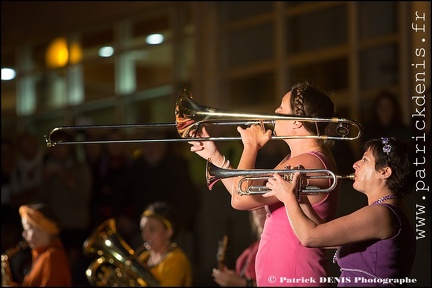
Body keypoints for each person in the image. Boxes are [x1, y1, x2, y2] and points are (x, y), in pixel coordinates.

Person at [189, 81, 340, 286]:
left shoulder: (308, 163)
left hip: (295, 274)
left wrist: (251, 146)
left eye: (281, 107)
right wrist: (215, 157)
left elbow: (240, 199)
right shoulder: (293, 159)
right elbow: (248, 195)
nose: (275, 111)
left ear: (296, 122)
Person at [264, 137, 416, 286]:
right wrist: (299, 196)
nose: (356, 164)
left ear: (384, 172)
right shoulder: (387, 211)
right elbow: (322, 237)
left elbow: (310, 237)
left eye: (365, 160)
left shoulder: (382, 214)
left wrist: (287, 197)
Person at [7, 203, 72, 286]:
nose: (24, 234)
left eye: (28, 228)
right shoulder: (42, 254)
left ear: (45, 227)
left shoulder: (53, 255)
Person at [137, 201, 193, 286]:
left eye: (152, 230)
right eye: (143, 230)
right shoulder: (144, 257)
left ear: (168, 232)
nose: (145, 236)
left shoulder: (176, 260)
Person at [212, 207, 266, 287]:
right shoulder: (248, 252)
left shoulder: (281, 247)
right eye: (256, 206)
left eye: (266, 205)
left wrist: (242, 283)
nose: (259, 209)